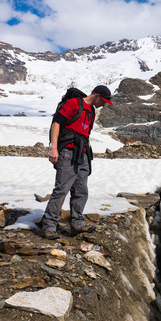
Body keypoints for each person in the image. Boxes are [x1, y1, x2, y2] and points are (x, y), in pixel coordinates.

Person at [41, 85, 112, 240]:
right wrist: (54, 148)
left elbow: (85, 133)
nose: (104, 105)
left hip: (83, 153)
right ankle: (49, 226)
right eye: (104, 101)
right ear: (97, 95)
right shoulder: (73, 103)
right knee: (61, 189)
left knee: (81, 189)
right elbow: (56, 123)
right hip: (68, 151)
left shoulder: (92, 111)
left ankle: (77, 223)